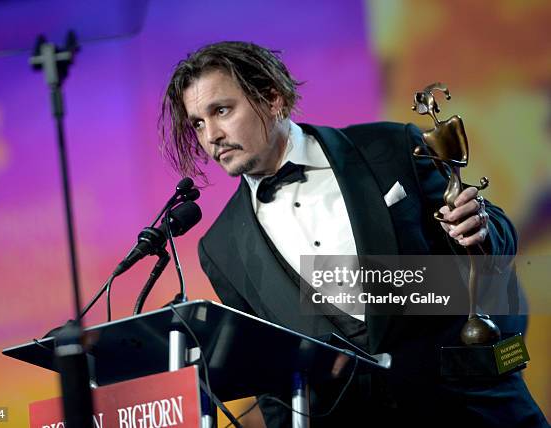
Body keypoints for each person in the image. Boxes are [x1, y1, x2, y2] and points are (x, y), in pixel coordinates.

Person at [159, 41, 547, 427]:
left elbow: (494, 240)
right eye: (197, 123)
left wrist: (480, 226)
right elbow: (273, 383)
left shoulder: (390, 146)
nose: (211, 136)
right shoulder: (221, 247)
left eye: (221, 110)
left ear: (272, 98)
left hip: (471, 406)